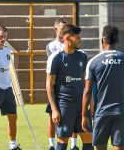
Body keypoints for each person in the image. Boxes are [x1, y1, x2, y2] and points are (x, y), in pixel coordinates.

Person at [82, 25, 124, 150]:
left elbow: (87, 91)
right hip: (121, 111)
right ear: (117, 41)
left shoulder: (94, 62)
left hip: (102, 113)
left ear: (102, 41)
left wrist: (84, 115)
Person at [46, 24, 93, 150]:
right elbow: (49, 85)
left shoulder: (82, 56)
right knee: (62, 141)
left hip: (82, 106)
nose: (80, 40)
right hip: (64, 106)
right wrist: (54, 109)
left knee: (89, 140)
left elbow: (86, 82)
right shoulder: (55, 58)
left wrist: (91, 103)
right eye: (77, 37)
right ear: (67, 38)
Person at [45, 18, 80, 150]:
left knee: (75, 115)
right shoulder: (51, 46)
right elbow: (55, 66)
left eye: (66, 27)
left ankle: (74, 145)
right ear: (56, 29)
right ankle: (51, 144)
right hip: (56, 87)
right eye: (62, 27)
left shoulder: (74, 45)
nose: (64, 29)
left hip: (71, 85)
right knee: (52, 115)